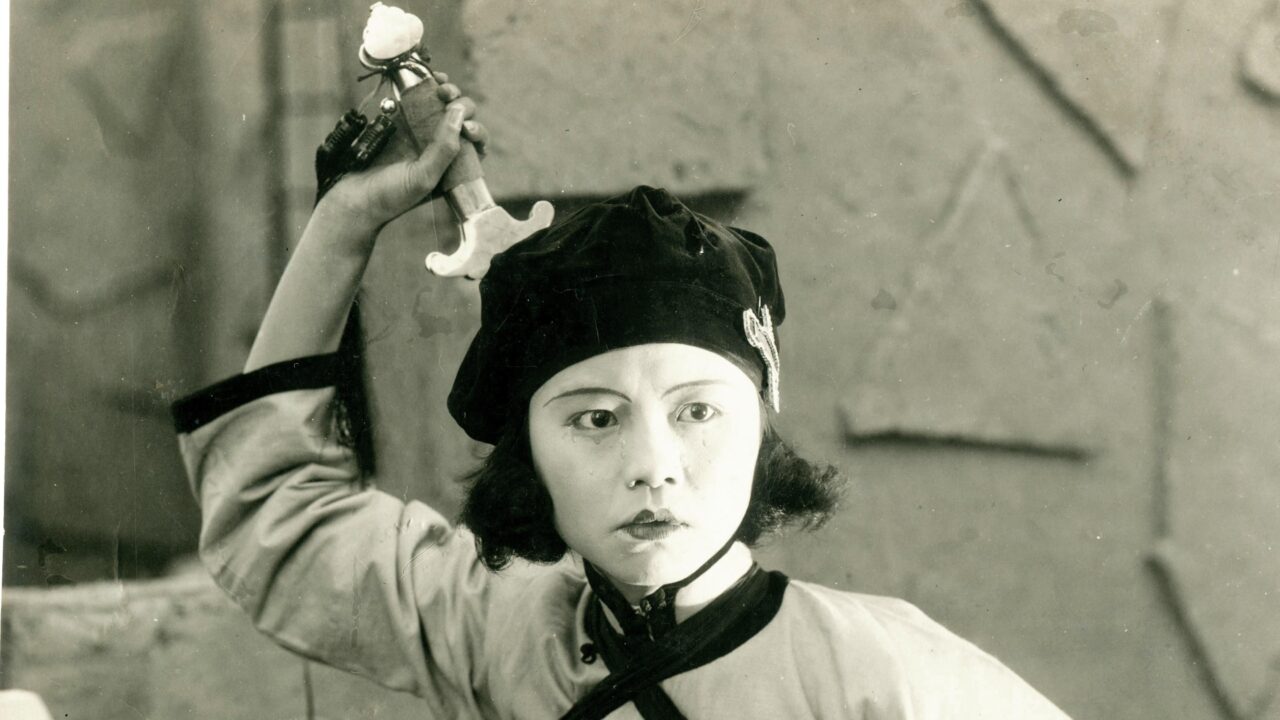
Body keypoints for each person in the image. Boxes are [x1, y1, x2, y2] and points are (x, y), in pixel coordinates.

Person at [172, 79, 1071, 719]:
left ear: (762, 426)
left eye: (697, 411)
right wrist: (346, 221)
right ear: (528, 454)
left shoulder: (887, 676)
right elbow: (280, 518)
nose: (652, 467)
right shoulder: (505, 628)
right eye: (595, 419)